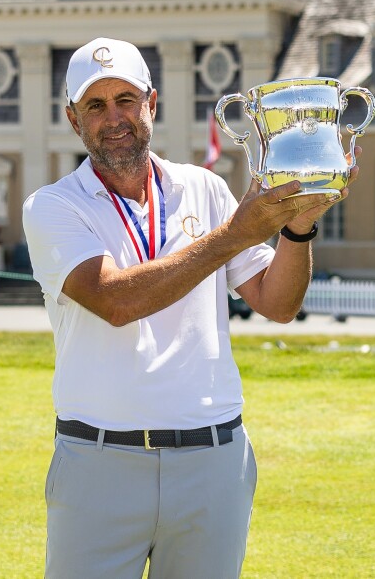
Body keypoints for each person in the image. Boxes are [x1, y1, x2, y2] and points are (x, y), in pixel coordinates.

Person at [22, 37, 355, 578]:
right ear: (72, 119)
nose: (114, 118)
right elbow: (115, 300)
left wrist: (298, 228)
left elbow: (277, 303)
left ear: (152, 104)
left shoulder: (205, 188)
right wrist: (232, 236)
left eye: (126, 100)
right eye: (95, 106)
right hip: (100, 464)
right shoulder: (52, 206)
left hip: (212, 459)